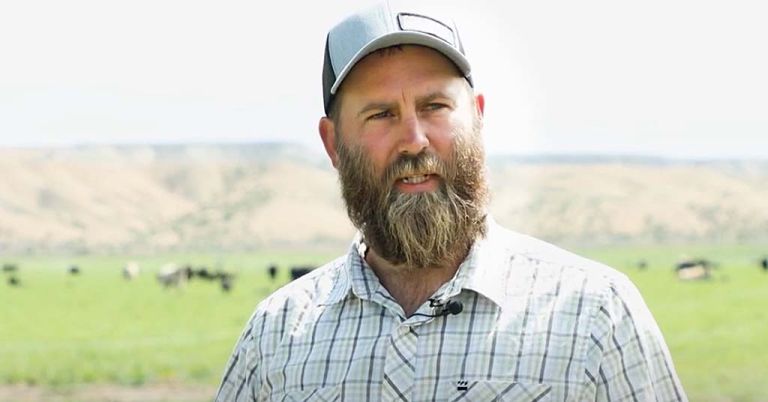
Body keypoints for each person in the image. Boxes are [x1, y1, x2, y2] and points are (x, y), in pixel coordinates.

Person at [215, 1, 687, 401]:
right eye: (380, 114)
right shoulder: (277, 335)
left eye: (434, 107)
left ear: (477, 118)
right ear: (334, 144)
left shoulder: (593, 314)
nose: (414, 140)